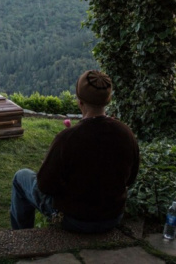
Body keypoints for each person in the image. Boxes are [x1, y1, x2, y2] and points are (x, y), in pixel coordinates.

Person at [10, 70, 139, 233]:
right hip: (112, 217)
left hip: (75, 220)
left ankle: (21, 236)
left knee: (21, 177)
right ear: (108, 100)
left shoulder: (68, 138)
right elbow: (130, 179)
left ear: (80, 101)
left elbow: (44, 185)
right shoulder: (126, 133)